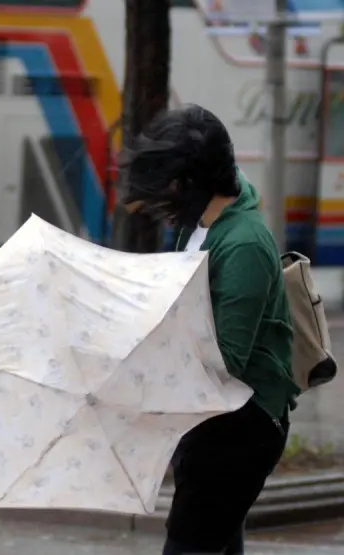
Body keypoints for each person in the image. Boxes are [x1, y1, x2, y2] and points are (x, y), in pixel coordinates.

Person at [120, 104, 300, 555]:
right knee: (217, 541)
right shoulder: (200, 225)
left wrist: (146, 360)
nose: (162, 196)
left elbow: (228, 360)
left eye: (168, 183)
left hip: (240, 426)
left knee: (190, 544)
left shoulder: (244, 246)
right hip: (207, 418)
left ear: (189, 182)